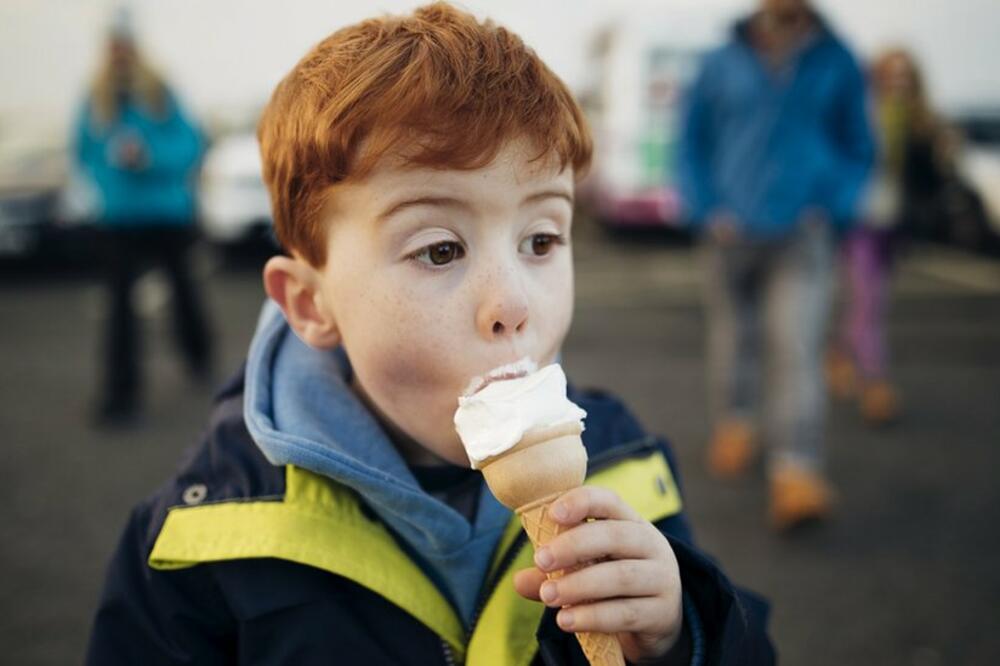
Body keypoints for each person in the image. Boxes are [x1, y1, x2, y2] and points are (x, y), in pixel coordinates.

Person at [86, 4, 774, 664]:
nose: (512, 304)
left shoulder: (623, 464)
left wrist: (683, 636)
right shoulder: (201, 542)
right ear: (309, 303)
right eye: (441, 250)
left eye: (541, 239)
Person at [678, 0, 875, 530]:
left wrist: (832, 206)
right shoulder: (720, 60)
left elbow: (860, 146)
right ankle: (736, 423)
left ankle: (796, 468)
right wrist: (706, 208)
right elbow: (691, 142)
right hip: (729, 233)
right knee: (732, 335)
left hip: (802, 235)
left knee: (796, 342)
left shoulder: (837, 59)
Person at [73, 11, 211, 425]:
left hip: (167, 214)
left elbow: (190, 145)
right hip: (119, 220)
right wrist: (111, 177)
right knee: (119, 309)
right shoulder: (94, 99)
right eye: (113, 45)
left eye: (124, 45)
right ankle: (120, 395)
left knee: (184, 294)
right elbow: (84, 153)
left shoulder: (160, 92)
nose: (119, 53)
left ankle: (199, 356)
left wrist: (148, 158)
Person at [826, 48, 952, 427]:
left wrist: (938, 150)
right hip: (860, 221)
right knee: (870, 300)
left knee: (868, 301)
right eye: (889, 75)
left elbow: (929, 182)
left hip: (895, 225)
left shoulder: (922, 125)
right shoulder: (861, 117)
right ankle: (874, 379)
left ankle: (840, 356)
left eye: (903, 76)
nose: (896, 83)